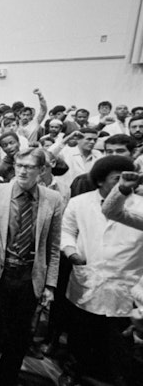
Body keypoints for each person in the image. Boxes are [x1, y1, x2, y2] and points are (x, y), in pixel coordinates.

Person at [0, 147, 64, 386]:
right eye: (19, 166)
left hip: (29, 277)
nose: (23, 171)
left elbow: (53, 246)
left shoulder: (53, 199)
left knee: (18, 338)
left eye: (29, 167)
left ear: (42, 170)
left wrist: (50, 284)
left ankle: (7, 380)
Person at [61, 156, 140, 384]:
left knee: (117, 345)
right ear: (99, 181)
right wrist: (71, 252)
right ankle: (74, 373)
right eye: (117, 179)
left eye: (129, 178)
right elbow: (67, 231)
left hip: (126, 285)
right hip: (87, 279)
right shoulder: (80, 202)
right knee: (81, 337)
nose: (124, 183)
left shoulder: (140, 205)